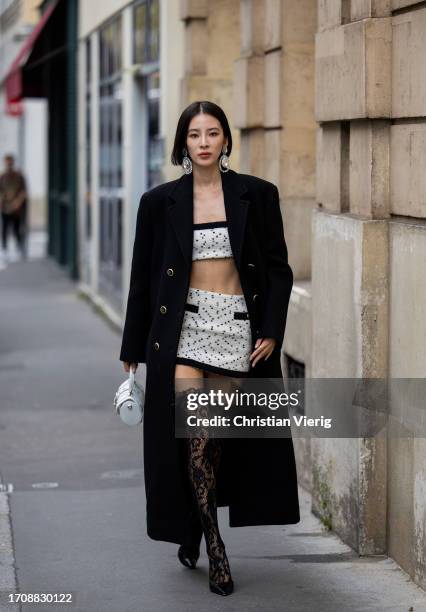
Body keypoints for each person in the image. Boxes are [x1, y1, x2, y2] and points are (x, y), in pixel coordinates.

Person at [119, 101, 300, 597]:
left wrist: (271, 329)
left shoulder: (257, 196)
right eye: (195, 134)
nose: (203, 142)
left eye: (213, 133)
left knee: (213, 444)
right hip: (183, 331)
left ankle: (197, 524)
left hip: (235, 332)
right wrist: (132, 346)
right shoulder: (159, 203)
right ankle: (215, 548)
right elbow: (142, 280)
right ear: (182, 143)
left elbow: (278, 268)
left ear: (225, 141)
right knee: (195, 439)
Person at [0, 153, 27, 260]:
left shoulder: (19, 176)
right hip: (5, 207)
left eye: (10, 161)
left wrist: (18, 202)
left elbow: (23, 191)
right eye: (7, 161)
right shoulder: (2, 176)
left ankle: (19, 247)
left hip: (16, 208)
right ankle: (4, 248)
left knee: (17, 228)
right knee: (5, 228)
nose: (9, 163)